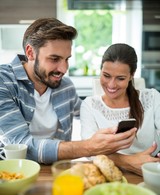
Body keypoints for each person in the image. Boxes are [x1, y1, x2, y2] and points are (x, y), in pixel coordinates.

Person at [0, 19, 136, 164]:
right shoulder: (4, 82)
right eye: (54, 59)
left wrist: (119, 99)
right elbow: (21, 145)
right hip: (13, 172)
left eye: (66, 59)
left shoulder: (65, 85)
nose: (64, 69)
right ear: (30, 52)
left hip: (58, 168)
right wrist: (89, 147)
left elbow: (88, 110)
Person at [80, 43, 160, 175]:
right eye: (106, 75)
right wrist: (128, 161)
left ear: (131, 75)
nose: (111, 84)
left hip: (152, 171)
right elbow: (90, 151)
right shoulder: (90, 105)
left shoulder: (152, 97)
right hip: (110, 173)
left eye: (120, 78)